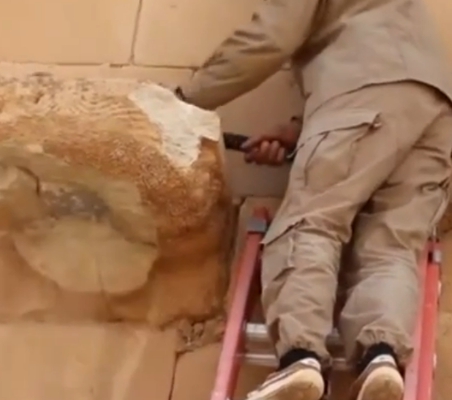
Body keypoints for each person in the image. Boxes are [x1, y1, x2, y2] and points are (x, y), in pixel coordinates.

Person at [174, 1, 452, 400]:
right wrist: (300, 131)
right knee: (390, 245)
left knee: (310, 223)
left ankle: (300, 358)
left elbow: (270, 38)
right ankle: (382, 357)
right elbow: (385, 70)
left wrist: (183, 101)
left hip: (362, 93)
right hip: (434, 109)